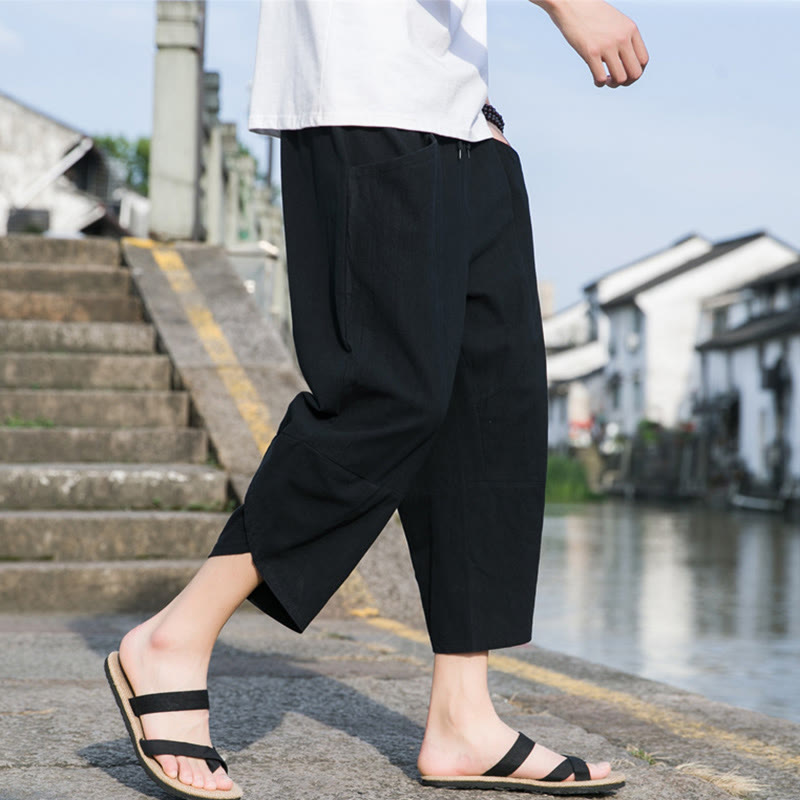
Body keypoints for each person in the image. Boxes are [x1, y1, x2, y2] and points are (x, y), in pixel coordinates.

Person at [105, 1, 648, 797]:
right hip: (367, 92)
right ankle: (173, 638)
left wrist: (472, 106)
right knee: (387, 395)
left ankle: (464, 715)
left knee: (489, 407)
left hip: (459, 111)